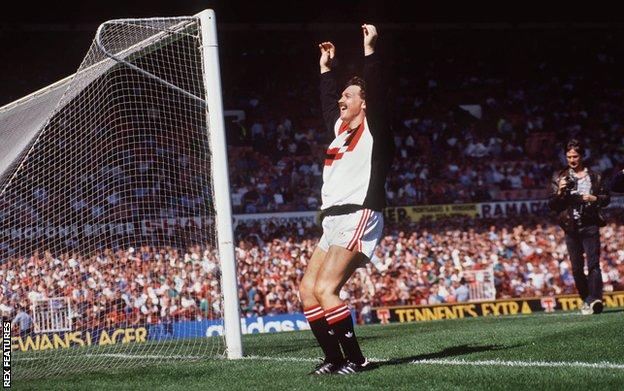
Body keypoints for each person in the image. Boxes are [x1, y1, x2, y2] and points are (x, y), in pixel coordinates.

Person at [298, 23, 393, 375]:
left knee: (326, 289)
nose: (342, 99)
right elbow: (327, 106)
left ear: (365, 104)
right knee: (307, 291)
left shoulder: (375, 129)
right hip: (333, 219)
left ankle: (357, 360)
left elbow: (378, 91)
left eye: (349, 96)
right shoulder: (340, 131)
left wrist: (370, 50)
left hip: (359, 214)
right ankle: (334, 359)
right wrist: (326, 69)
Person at [548, 139, 610, 315]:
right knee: (576, 268)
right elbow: (552, 205)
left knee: (593, 264)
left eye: (575, 156)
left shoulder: (595, 176)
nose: (572, 160)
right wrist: (560, 191)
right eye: (569, 157)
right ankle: (587, 299)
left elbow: (606, 198)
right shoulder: (558, 176)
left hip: (590, 225)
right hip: (571, 227)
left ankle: (596, 299)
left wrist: (595, 199)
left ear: (582, 156)